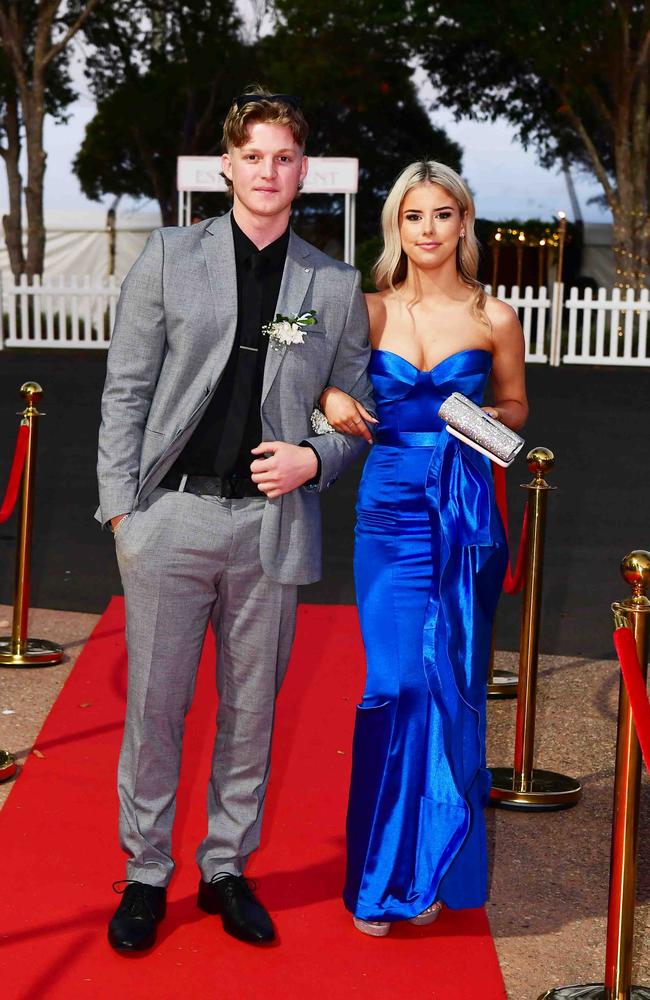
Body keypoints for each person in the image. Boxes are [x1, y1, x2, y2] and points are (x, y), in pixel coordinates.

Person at [97, 88, 374, 953]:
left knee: (252, 713)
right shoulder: (172, 256)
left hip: (271, 528)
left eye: (284, 157)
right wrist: (120, 511)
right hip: (169, 520)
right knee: (156, 707)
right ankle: (146, 873)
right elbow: (127, 390)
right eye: (252, 155)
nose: (268, 171)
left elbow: (356, 408)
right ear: (227, 164)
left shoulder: (332, 282)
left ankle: (226, 867)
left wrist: (315, 458)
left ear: (304, 171)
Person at [319, 161, 528, 936]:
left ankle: (434, 864)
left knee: (451, 690)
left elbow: (514, 409)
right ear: (395, 228)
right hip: (391, 514)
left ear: (464, 222)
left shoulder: (495, 317)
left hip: (465, 517)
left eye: (444, 214)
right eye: (415, 216)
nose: (430, 229)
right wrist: (329, 396)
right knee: (396, 685)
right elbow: (293, 354)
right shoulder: (364, 309)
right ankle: (381, 875)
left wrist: (472, 420)